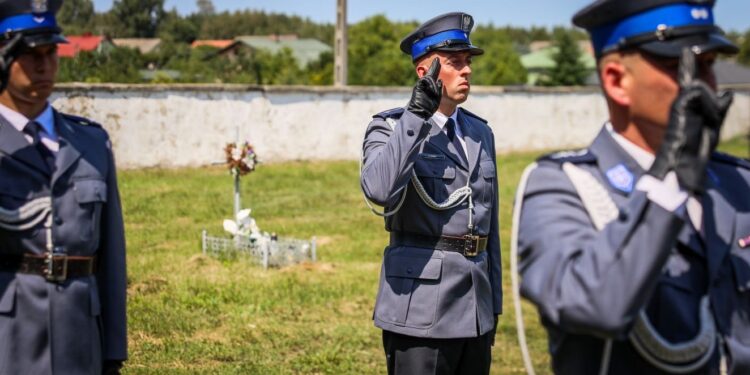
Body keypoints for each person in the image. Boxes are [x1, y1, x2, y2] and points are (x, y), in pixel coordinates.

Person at [512, 0, 750, 373]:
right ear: (616, 81)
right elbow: (590, 305)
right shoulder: (563, 186)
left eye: (708, 65)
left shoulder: (739, 182)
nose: (706, 83)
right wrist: (671, 178)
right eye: (681, 67)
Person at [360, 11, 502, 375]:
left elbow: (491, 231)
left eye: (468, 62)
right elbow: (378, 190)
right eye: (455, 62)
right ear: (426, 72)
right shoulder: (390, 127)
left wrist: (492, 305)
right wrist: (416, 116)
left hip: (475, 308)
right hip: (420, 306)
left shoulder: (480, 133)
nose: (467, 70)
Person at [0, 1, 127, 374]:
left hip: (80, 333)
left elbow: (111, 256)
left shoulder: (91, 143)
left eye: (51, 52)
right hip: (10, 334)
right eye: (29, 55)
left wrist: (113, 349)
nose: (44, 66)